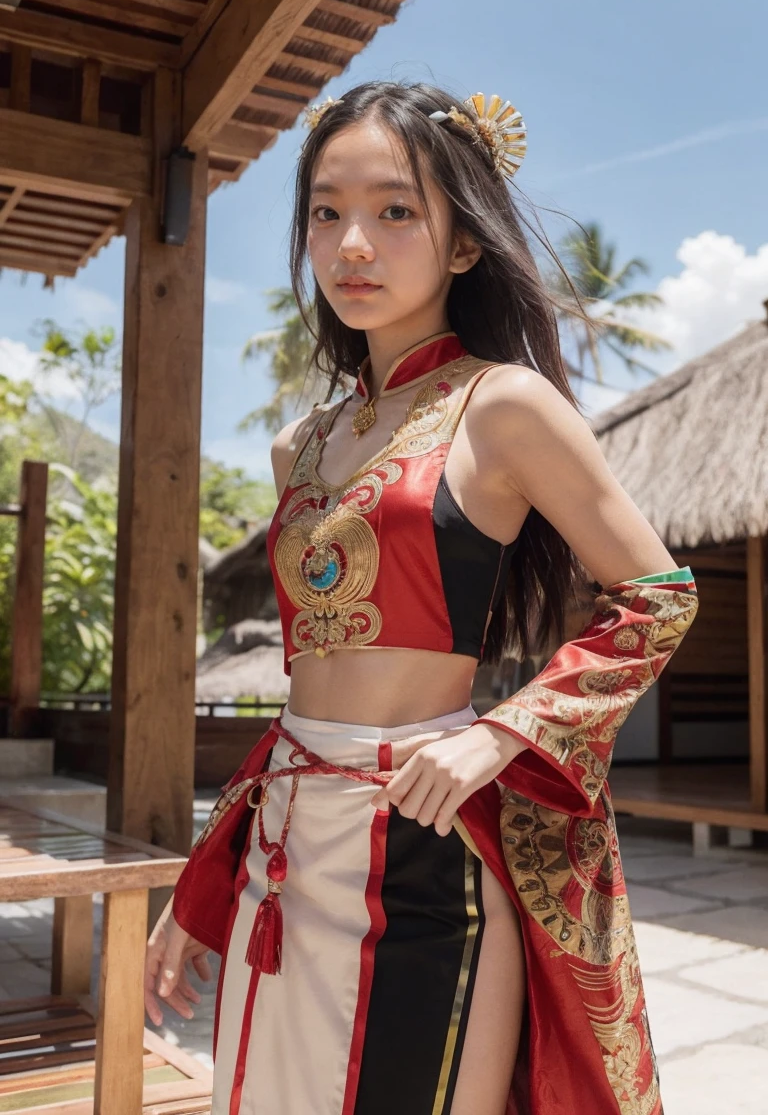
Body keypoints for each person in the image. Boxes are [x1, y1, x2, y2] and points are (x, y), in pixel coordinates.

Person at [144, 81, 698, 1115]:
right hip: (284, 845)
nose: (354, 241)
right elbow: (308, 692)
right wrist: (202, 882)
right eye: (325, 210)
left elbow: (657, 597)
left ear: (461, 245)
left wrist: (504, 734)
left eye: (396, 210)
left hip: (426, 841)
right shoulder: (297, 447)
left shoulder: (506, 406)